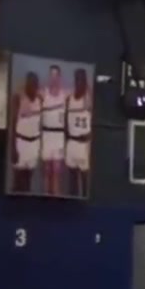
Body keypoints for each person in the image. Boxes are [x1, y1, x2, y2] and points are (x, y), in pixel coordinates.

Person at [9, 71, 41, 194]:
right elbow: (13, 124)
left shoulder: (40, 99)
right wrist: (13, 148)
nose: (33, 87)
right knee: (18, 180)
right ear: (26, 84)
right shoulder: (18, 98)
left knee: (28, 180)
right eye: (31, 84)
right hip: (21, 143)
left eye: (35, 84)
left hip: (34, 144)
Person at [39, 64, 66, 196]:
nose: (53, 78)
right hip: (46, 134)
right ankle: (44, 196)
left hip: (59, 136)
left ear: (59, 77)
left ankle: (55, 197)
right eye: (51, 75)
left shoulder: (65, 94)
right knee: (46, 170)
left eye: (56, 75)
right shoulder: (43, 93)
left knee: (56, 171)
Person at [64, 68, 91, 199]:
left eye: (82, 79)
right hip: (71, 143)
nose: (79, 82)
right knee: (72, 180)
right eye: (77, 79)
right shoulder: (69, 99)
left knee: (85, 180)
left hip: (83, 144)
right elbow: (65, 122)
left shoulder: (88, 99)